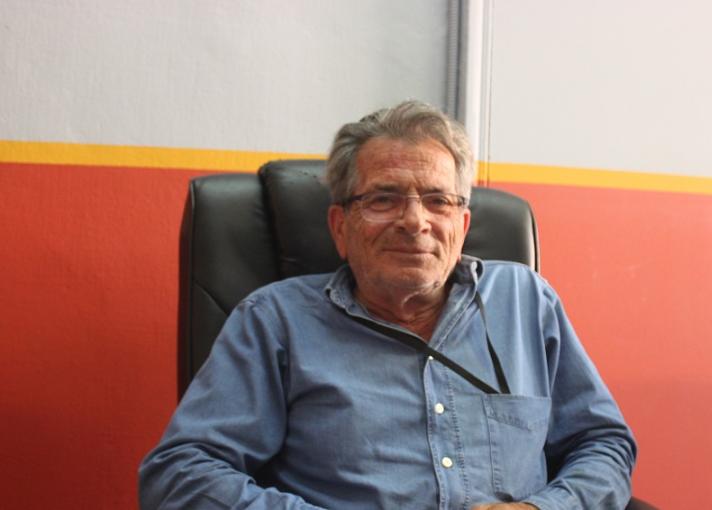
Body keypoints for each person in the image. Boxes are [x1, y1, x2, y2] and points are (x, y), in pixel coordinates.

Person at [139, 100, 637, 509]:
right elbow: (180, 474)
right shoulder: (275, 321)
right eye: (383, 199)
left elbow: (603, 444)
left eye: (438, 200)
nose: (415, 221)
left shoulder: (525, 301)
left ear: (462, 226)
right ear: (340, 228)